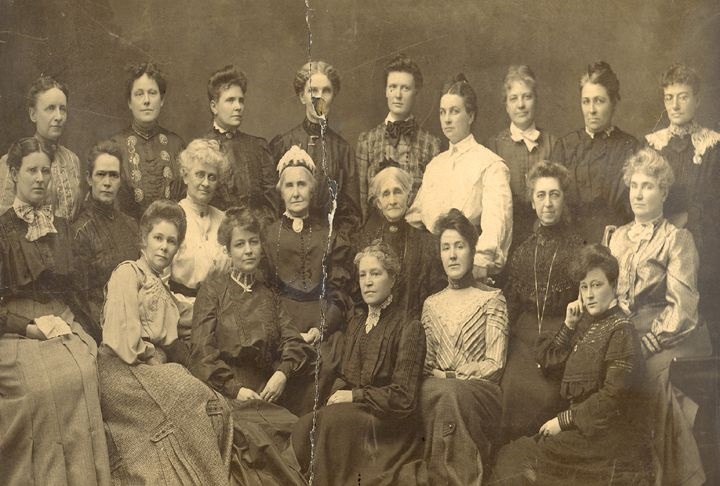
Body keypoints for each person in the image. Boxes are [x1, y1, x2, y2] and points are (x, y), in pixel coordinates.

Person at [491, 245, 653, 486]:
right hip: (583, 432)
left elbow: (612, 397)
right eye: (584, 286)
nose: (589, 294)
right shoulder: (587, 326)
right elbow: (548, 362)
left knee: (517, 460)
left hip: (607, 439)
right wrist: (568, 325)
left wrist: (563, 421)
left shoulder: (621, 330)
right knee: (511, 456)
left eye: (597, 285)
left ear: (614, 286)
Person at [99, 200, 235, 485]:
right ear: (144, 240)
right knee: (188, 394)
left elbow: (194, 317)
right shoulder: (128, 273)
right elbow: (120, 337)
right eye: (158, 238)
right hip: (122, 370)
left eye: (172, 241)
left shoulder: (164, 289)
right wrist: (153, 356)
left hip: (149, 371)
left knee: (213, 401)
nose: (164, 247)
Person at [0, 137, 111, 485]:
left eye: (45, 171)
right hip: (15, 329)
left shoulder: (60, 227)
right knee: (42, 387)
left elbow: (76, 290)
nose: (39, 178)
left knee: (83, 371)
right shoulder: (2, 230)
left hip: (61, 318)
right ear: (14, 173)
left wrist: (94, 331)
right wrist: (28, 327)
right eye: (31, 170)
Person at [605, 148, 712, 486]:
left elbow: (683, 305)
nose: (638, 193)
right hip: (624, 330)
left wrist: (655, 336)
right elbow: (604, 289)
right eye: (634, 185)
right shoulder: (616, 236)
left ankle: (665, 478)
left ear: (664, 192)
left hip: (673, 332)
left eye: (648, 186)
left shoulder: (677, 239)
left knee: (651, 380)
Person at [189, 206, 313, 485]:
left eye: (253, 242)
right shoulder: (212, 291)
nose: (248, 250)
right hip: (227, 395)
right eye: (239, 244)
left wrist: (282, 373)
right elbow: (201, 354)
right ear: (228, 251)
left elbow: (293, 340)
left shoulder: (269, 293)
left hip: (268, 392)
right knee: (260, 442)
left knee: (298, 432)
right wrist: (235, 389)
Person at [291, 242, 427, 486]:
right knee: (305, 424)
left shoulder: (409, 327)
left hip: (389, 427)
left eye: (376, 274)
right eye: (363, 275)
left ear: (393, 278)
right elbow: (345, 376)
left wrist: (355, 396)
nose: (368, 282)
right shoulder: (356, 323)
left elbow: (403, 399)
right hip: (357, 412)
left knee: (332, 423)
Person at [418, 208, 509, 485]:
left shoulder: (493, 299)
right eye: (446, 248)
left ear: (472, 250)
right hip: (437, 389)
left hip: (480, 391)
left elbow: (494, 365)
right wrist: (446, 379)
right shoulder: (431, 304)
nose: (453, 255)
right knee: (443, 393)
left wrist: (450, 378)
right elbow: (426, 365)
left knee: (451, 393)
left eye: (459, 246)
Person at [262, 146, 353, 410]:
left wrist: (321, 329)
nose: (296, 191)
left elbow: (339, 291)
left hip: (324, 322)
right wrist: (287, 332)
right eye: (289, 185)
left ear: (312, 189)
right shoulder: (268, 235)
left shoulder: (330, 233)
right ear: (281, 191)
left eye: (302, 184)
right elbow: (265, 293)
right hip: (283, 323)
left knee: (327, 361)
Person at [499, 161, 584, 442]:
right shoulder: (522, 251)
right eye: (541, 195)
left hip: (563, 336)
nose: (548, 203)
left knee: (547, 397)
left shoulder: (579, 249)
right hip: (524, 340)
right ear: (532, 202)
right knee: (510, 391)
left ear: (563, 198)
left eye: (554, 195)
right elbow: (513, 305)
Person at [406, 74, 512, 281]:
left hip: (469, 268)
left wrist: (481, 262)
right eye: (442, 112)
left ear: (470, 116)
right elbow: (414, 218)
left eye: (455, 111)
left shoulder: (491, 164)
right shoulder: (435, 165)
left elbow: (497, 223)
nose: (447, 119)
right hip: (431, 269)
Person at [645, 63, 720, 349]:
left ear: (697, 99)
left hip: (707, 244)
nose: (675, 105)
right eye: (669, 97)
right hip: (663, 246)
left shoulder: (713, 147)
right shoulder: (654, 145)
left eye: (683, 96)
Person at [269, 60, 361, 237]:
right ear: (302, 96)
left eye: (326, 91)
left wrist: (332, 244)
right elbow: (272, 204)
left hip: (329, 245)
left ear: (334, 95)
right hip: (287, 243)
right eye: (313, 91)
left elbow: (352, 215)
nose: (320, 98)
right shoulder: (282, 144)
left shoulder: (343, 150)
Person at [553, 61, 640, 244]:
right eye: (586, 102)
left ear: (613, 102)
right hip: (570, 246)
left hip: (618, 245)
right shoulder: (565, 146)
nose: (591, 110)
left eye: (599, 101)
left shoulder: (630, 147)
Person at [355, 54, 440, 221]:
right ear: (386, 91)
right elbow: (361, 199)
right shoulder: (367, 141)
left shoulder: (431, 144)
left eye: (405, 88)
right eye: (393, 87)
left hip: (417, 234)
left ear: (416, 91)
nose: (398, 95)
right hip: (376, 235)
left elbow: (433, 199)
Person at [72, 140, 140, 342]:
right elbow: (80, 301)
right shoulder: (80, 232)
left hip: (139, 321)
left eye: (114, 175)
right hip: (104, 330)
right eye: (101, 174)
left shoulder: (131, 225)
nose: (107, 182)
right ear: (89, 179)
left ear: (121, 180)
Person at [358, 165, 446, 318]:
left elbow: (436, 296)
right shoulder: (366, 242)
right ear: (379, 203)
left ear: (409, 197)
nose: (392, 200)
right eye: (386, 194)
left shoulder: (427, 243)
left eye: (398, 192)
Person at [487, 66, 557, 247]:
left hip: (547, 238)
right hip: (508, 238)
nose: (521, 105)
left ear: (536, 100)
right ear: (506, 105)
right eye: (514, 98)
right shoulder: (494, 145)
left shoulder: (553, 143)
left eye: (527, 97)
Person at [109, 62, 186, 220]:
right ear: (130, 102)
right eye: (139, 94)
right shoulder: (115, 146)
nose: (146, 101)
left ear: (162, 100)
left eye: (152, 93)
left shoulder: (176, 145)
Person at [0, 75, 82, 219]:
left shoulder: (72, 160)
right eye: (50, 108)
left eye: (62, 109)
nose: (59, 116)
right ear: (33, 114)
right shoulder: (12, 159)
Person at [170, 139, 231, 327]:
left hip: (221, 313)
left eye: (212, 177)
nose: (206, 183)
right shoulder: (172, 217)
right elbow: (160, 283)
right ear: (186, 176)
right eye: (200, 175)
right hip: (182, 315)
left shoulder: (224, 220)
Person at [203, 65, 277, 218]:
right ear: (214, 107)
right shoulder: (201, 149)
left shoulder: (258, 147)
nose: (238, 107)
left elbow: (272, 207)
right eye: (230, 100)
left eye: (241, 101)